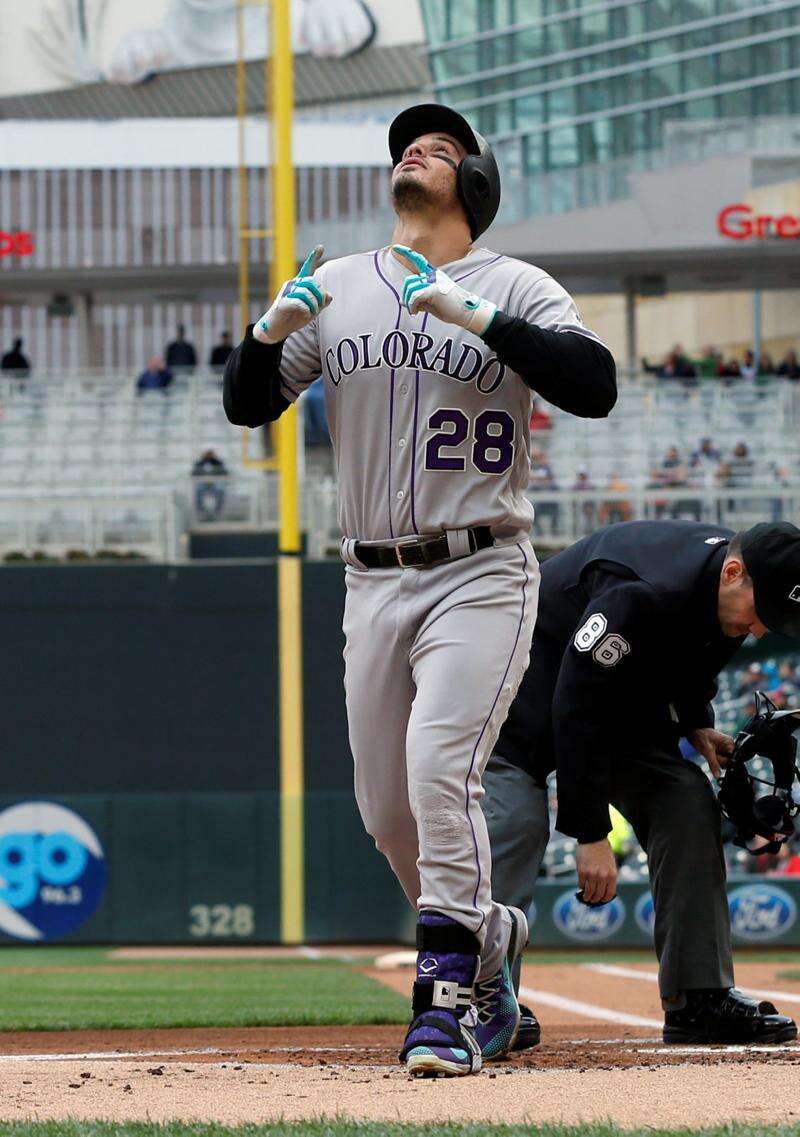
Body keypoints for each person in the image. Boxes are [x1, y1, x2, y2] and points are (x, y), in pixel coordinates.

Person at [223, 101, 617, 1077]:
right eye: (409, 144)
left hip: (480, 565)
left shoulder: (513, 281)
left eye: (441, 148)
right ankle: (490, 938)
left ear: (473, 186)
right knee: (384, 810)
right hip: (371, 576)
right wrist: (271, 329)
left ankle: (445, 1003)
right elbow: (245, 404)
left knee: (441, 769)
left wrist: (476, 314)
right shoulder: (343, 284)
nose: (417, 151)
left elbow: (593, 382)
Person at [483, 520, 800, 1047]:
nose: (763, 629)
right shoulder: (645, 591)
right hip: (524, 689)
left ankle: (698, 998)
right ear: (734, 573)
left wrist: (695, 721)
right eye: (763, 612)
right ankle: (482, 994)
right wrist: (590, 835)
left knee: (684, 800)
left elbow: (693, 660)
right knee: (515, 824)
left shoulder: (727, 592)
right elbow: (576, 705)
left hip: (612, 697)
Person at [191, 446, 228, 521]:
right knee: (198, 491)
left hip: (214, 484)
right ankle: (200, 511)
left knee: (220, 490)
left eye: (210, 453)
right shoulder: (199, 463)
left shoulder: (218, 463)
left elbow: (225, 473)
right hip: (203, 484)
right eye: (207, 453)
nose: (208, 455)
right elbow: (193, 473)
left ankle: (218, 511)